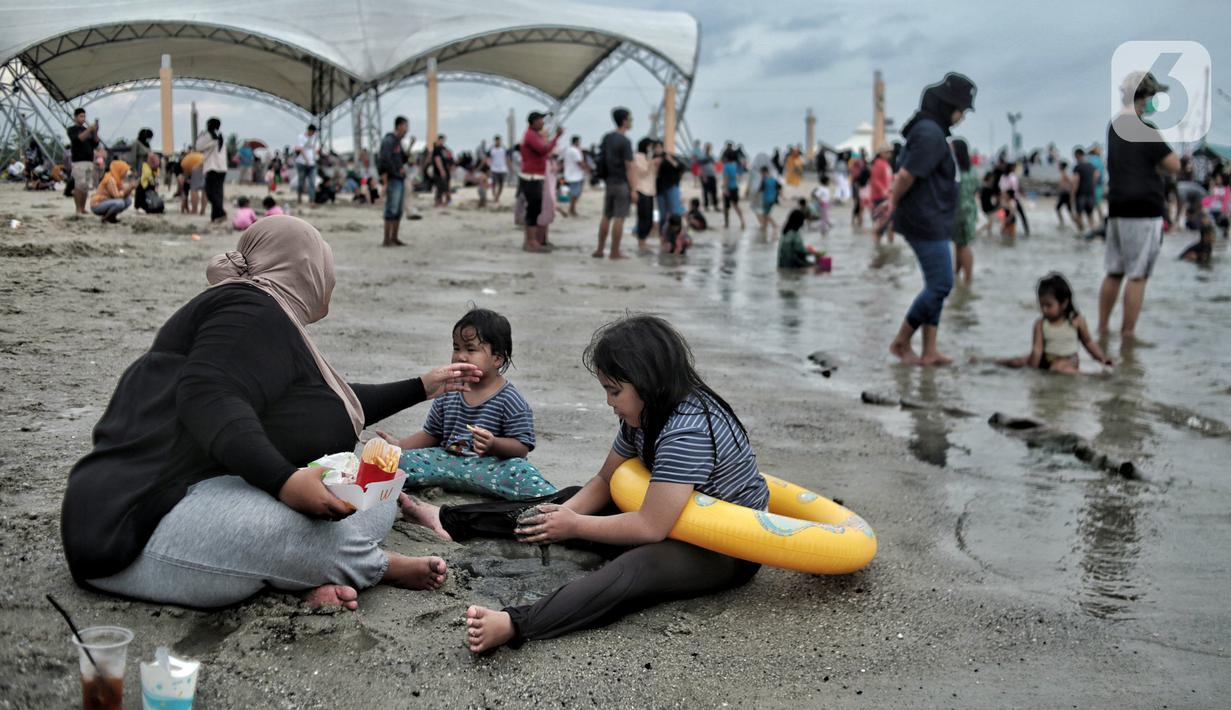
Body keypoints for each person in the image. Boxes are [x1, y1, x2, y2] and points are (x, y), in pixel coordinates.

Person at [62, 216, 480, 610]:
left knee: (378, 478)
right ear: (303, 266)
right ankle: (376, 565)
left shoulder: (266, 317)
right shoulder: (248, 309)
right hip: (137, 526)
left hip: (212, 490)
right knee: (311, 531)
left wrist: (423, 386)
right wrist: (286, 482)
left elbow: (327, 407)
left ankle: (303, 576)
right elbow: (206, 393)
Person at [399, 315, 765, 653]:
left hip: (722, 548)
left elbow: (651, 527)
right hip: (668, 519)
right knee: (566, 500)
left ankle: (515, 623)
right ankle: (448, 519)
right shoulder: (645, 411)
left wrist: (574, 525)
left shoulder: (687, 429)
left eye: (614, 391)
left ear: (648, 383)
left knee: (636, 568)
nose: (608, 402)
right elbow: (606, 479)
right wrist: (559, 516)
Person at [390, 308, 552, 500]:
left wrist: (494, 444)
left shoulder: (511, 399)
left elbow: (522, 447)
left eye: (471, 349)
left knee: (524, 474)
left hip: (492, 467)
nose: (460, 356)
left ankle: (557, 505)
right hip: (446, 462)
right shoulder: (449, 390)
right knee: (393, 463)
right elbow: (432, 434)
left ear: (497, 358)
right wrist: (399, 446)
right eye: (456, 348)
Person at [875, 72, 977, 366]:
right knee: (941, 285)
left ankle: (929, 349)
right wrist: (892, 202)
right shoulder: (930, 133)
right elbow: (906, 175)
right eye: (962, 110)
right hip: (925, 221)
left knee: (937, 285)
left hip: (934, 219)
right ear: (949, 106)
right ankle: (902, 342)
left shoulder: (929, 130)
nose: (962, 117)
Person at [1098, 71, 1181, 339]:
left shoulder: (1114, 126)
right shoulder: (1146, 129)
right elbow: (1174, 165)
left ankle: (1102, 328)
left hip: (1117, 206)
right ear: (1144, 96)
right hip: (1144, 209)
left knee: (1114, 271)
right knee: (1137, 276)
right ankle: (1128, 335)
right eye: (1153, 96)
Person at [996, 273, 1112, 374]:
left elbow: (1088, 342)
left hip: (1068, 360)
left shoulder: (1076, 320)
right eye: (1041, 305)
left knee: (1058, 368)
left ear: (1064, 303)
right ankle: (991, 362)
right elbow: (1037, 350)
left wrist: (1101, 358)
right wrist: (1032, 371)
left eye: (1049, 305)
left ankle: (1090, 377)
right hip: (1046, 358)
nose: (1044, 309)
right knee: (1018, 361)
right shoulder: (1040, 324)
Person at [594, 107, 635, 260]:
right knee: (620, 217)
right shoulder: (625, 141)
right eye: (630, 119)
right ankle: (614, 252)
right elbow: (629, 167)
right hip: (621, 182)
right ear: (624, 121)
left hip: (608, 181)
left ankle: (599, 249)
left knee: (606, 216)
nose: (631, 122)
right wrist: (634, 189)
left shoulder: (607, 137)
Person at [518, 112, 562, 251]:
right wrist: (557, 137)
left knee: (534, 209)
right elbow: (543, 150)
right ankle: (531, 242)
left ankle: (531, 241)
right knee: (533, 209)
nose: (543, 123)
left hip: (534, 176)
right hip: (531, 177)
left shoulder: (532, 135)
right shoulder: (530, 135)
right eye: (541, 120)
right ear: (535, 121)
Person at [377, 116, 410, 247]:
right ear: (400, 126)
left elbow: (403, 159)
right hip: (393, 178)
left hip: (399, 178)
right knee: (391, 208)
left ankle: (394, 237)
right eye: (406, 126)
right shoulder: (389, 141)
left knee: (398, 210)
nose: (407, 129)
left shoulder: (398, 142)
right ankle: (386, 239)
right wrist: (386, 179)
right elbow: (383, 161)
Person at [952, 139, 978, 285]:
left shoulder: (956, 171)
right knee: (960, 243)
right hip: (970, 210)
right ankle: (958, 274)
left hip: (959, 211)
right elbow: (976, 188)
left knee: (962, 244)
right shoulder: (972, 170)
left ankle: (967, 277)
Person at [67, 108, 101, 215]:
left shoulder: (88, 130)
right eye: (81, 116)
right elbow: (78, 139)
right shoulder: (72, 129)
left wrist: (95, 131)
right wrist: (89, 130)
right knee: (79, 184)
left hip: (89, 160)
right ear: (75, 117)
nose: (83, 118)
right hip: (78, 161)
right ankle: (77, 209)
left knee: (86, 186)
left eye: (84, 116)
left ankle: (82, 208)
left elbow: (96, 143)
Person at [196, 117, 227, 223]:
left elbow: (198, 147)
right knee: (218, 193)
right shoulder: (220, 135)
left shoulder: (208, 135)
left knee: (210, 193)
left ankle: (221, 213)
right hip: (222, 168)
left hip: (212, 168)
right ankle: (215, 217)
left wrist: (201, 135)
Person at [632, 137, 660, 250]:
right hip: (641, 190)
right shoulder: (637, 157)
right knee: (642, 217)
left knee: (649, 218)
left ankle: (644, 240)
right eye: (650, 146)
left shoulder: (648, 157)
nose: (651, 148)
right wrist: (651, 163)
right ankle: (641, 241)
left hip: (650, 191)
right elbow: (642, 173)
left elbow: (653, 175)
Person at [655, 142, 685, 243]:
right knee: (663, 215)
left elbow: (681, 167)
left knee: (674, 213)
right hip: (660, 189)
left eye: (659, 147)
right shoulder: (653, 159)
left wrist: (669, 159)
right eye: (655, 147)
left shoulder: (669, 157)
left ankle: (677, 236)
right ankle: (663, 237)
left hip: (672, 187)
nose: (657, 149)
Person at [90, 159, 135, 223]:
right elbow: (117, 196)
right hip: (97, 205)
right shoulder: (110, 179)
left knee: (128, 200)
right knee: (120, 203)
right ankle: (106, 218)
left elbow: (123, 194)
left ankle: (111, 217)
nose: (125, 173)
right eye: (124, 171)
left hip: (106, 201)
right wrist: (128, 189)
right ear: (120, 170)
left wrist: (129, 190)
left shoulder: (118, 180)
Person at [869, 145, 894, 245]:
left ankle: (889, 244)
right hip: (880, 197)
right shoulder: (878, 164)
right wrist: (883, 190)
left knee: (889, 223)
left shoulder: (886, 164)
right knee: (881, 223)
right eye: (887, 152)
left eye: (890, 152)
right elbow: (874, 180)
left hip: (887, 197)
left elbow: (889, 179)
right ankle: (877, 243)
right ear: (881, 154)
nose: (889, 154)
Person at [1070, 148, 1098, 231]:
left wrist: (1072, 195)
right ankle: (1092, 232)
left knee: (1079, 215)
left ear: (1077, 155)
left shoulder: (1078, 167)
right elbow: (1097, 174)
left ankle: (1081, 233)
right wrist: (1092, 185)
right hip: (1091, 193)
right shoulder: (1091, 166)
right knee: (1090, 215)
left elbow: (1076, 181)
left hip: (1081, 194)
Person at [998, 161, 1029, 235]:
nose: (1015, 168)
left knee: (1008, 215)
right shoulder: (1008, 177)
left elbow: (1016, 187)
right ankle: (1005, 231)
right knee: (1009, 215)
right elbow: (1011, 188)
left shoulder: (1008, 176)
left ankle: (1005, 231)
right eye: (1014, 167)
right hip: (1010, 197)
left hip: (1011, 197)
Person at [563, 135, 588, 217]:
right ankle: (572, 209)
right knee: (576, 193)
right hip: (576, 175)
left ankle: (572, 209)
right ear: (577, 142)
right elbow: (579, 162)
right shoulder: (575, 151)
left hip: (569, 173)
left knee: (574, 193)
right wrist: (587, 168)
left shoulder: (567, 150)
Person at [295, 124, 319, 205]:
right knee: (301, 182)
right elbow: (301, 149)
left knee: (312, 182)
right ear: (309, 130)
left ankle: (312, 201)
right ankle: (299, 198)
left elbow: (313, 148)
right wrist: (307, 160)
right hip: (302, 163)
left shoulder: (314, 138)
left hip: (312, 164)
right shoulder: (301, 137)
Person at [721, 148, 745, 229]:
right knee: (736, 205)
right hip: (735, 187)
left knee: (726, 208)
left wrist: (725, 188)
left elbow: (726, 178)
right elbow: (738, 177)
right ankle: (742, 221)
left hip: (728, 188)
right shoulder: (735, 165)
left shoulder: (726, 166)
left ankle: (726, 223)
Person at [756, 165, 779, 232]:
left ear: (763, 172)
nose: (761, 174)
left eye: (761, 173)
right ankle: (765, 226)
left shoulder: (764, 180)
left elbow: (760, 190)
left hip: (766, 199)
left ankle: (774, 225)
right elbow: (778, 188)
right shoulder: (773, 179)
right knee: (766, 214)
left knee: (765, 214)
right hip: (773, 199)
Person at [488, 135, 509, 203]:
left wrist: (510, 167)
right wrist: (489, 166)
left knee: (501, 184)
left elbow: (507, 158)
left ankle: (497, 196)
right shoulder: (491, 149)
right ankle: (495, 196)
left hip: (502, 169)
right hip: (494, 169)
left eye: (499, 140)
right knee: (494, 184)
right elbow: (488, 158)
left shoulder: (504, 149)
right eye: (497, 141)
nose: (498, 142)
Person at [698, 143, 718, 211]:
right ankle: (706, 206)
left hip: (712, 175)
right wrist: (703, 176)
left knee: (714, 191)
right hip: (705, 176)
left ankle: (715, 205)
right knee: (706, 192)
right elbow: (700, 168)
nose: (709, 149)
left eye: (710, 148)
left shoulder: (712, 156)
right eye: (708, 148)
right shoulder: (702, 156)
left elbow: (714, 166)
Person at [978, 171, 999, 237]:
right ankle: (979, 232)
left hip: (989, 205)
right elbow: (979, 195)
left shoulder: (989, 186)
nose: (992, 179)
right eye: (991, 177)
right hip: (986, 205)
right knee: (989, 223)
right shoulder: (985, 185)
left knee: (990, 223)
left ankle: (988, 235)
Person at [1055, 161, 1074, 227]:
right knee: (1065, 209)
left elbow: (1071, 182)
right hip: (1063, 193)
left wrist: (1068, 188)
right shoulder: (1063, 173)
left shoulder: (1065, 174)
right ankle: (1063, 222)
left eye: (1059, 166)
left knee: (1058, 208)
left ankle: (1063, 222)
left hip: (1065, 193)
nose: (1058, 167)